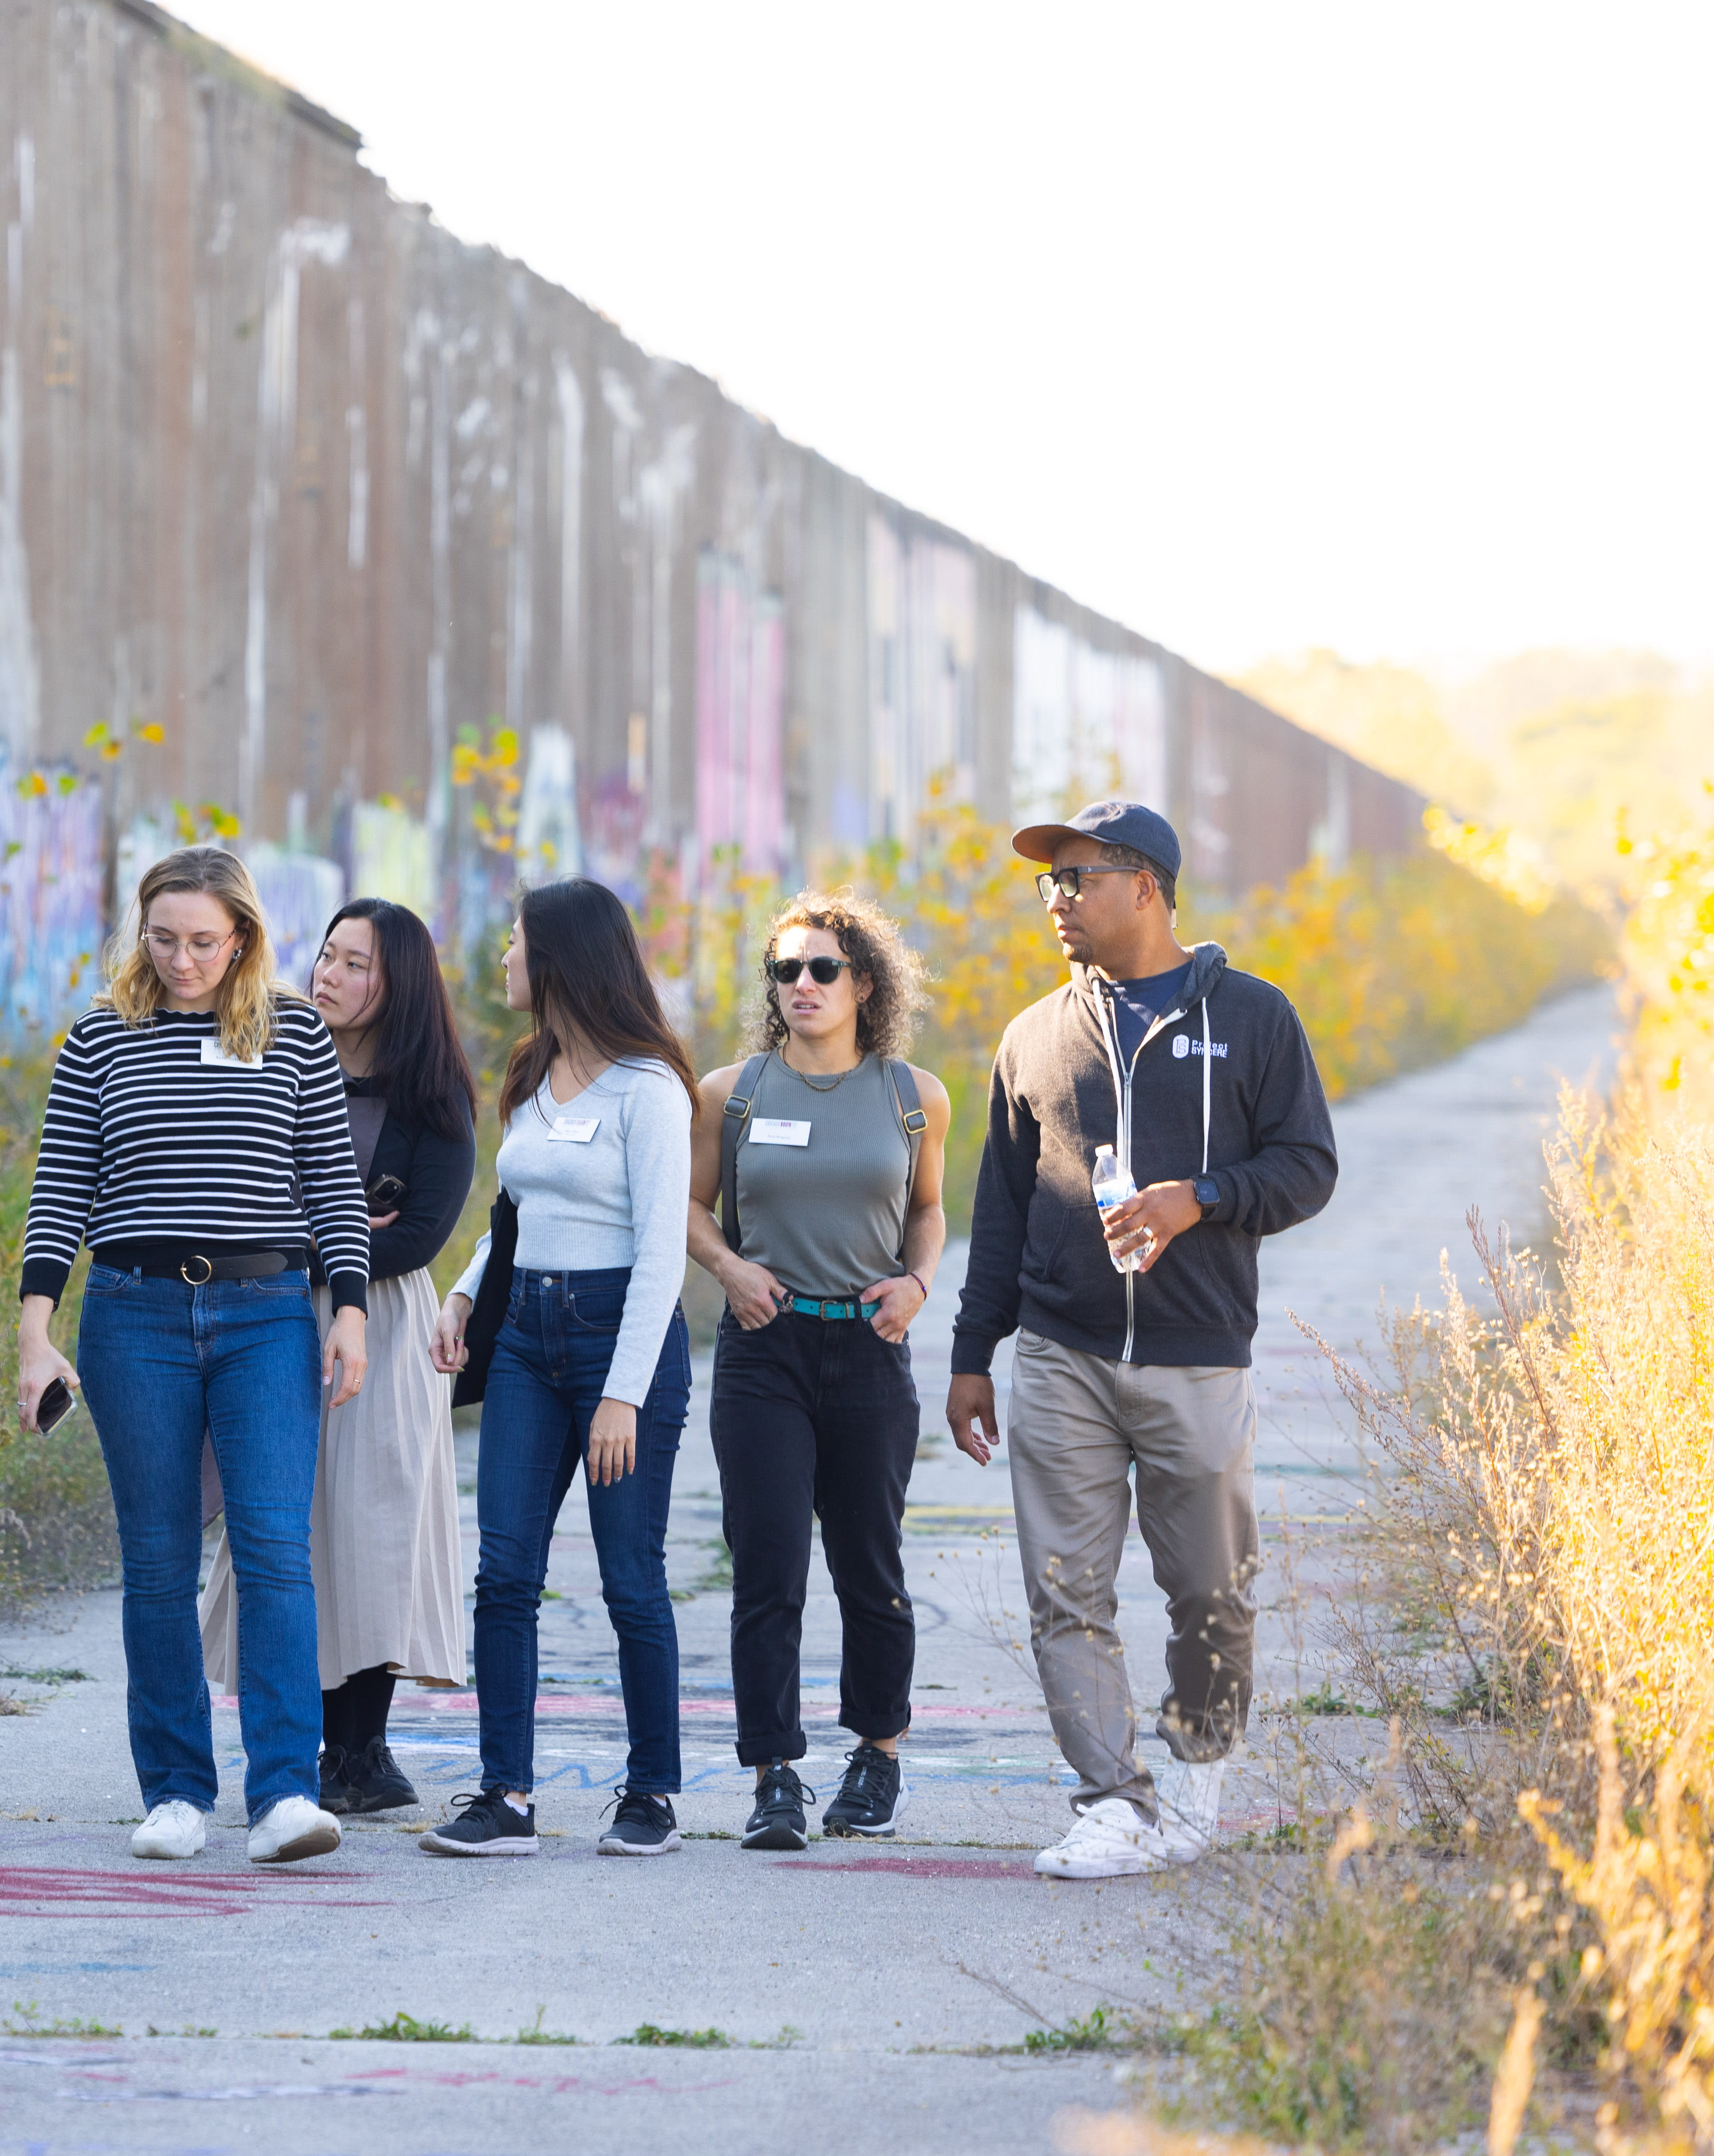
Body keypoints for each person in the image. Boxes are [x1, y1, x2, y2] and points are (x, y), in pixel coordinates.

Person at [944, 799, 1338, 1882]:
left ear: (1146, 889)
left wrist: (1200, 1198)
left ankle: (1197, 1775)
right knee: (1064, 1592)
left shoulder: (1253, 1018)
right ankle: (1110, 1801)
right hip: (1062, 1355)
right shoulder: (1032, 1035)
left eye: (1076, 880)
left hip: (1198, 1353)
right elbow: (1004, 1209)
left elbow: (1308, 1166)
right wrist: (974, 1354)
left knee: (1209, 1587)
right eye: (1048, 884)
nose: (1056, 902)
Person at [15, 844, 375, 1868]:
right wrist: (34, 1331)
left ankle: (283, 1796)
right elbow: (59, 1193)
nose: (182, 961)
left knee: (271, 1547)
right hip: (132, 1317)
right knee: (160, 1559)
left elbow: (333, 1189)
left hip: (265, 1313)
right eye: (163, 939)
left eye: (204, 942)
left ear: (243, 939)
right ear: (142, 933)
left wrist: (347, 1312)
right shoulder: (99, 1040)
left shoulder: (294, 1033)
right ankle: (175, 1792)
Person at [425, 877, 702, 1861]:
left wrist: (622, 1392)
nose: (502, 957)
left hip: (615, 1339)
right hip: (525, 1347)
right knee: (503, 1575)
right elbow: (514, 1217)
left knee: (629, 1577)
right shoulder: (531, 1072)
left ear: (560, 961)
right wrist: (464, 1291)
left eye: (514, 942)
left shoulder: (650, 1089)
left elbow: (661, 1252)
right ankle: (505, 1797)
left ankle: (651, 1794)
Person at [202, 896, 479, 1822]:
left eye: (356, 964)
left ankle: (364, 1747)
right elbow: (221, 1188)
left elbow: (417, 1238)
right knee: (290, 1526)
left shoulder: (433, 1095)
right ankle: (309, 1744)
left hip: (385, 1329)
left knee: (375, 1531)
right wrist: (331, 1233)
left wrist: (303, 1240)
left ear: (396, 986)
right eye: (326, 955)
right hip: (270, 1313)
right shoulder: (260, 1055)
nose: (329, 975)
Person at [686, 893, 951, 1852]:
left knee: (868, 1565)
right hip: (766, 1348)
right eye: (784, 971)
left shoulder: (913, 1094)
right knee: (766, 1566)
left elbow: (927, 1210)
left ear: (864, 985)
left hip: (871, 1349)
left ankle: (876, 1756)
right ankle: (773, 1776)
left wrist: (919, 1283)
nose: (800, 985)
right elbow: (688, 1207)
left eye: (821, 970)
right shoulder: (733, 1092)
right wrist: (728, 1269)